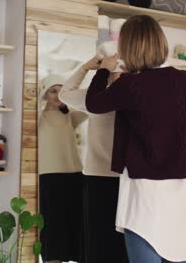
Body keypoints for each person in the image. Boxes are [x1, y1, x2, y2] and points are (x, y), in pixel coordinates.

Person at [85, 15, 186, 263]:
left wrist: (104, 70)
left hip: (146, 195)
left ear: (127, 48)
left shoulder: (130, 85)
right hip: (183, 192)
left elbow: (93, 103)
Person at [59, 54, 128, 263]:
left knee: (117, 244)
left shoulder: (126, 95)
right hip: (101, 179)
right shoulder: (95, 96)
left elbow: (65, 93)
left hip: (126, 179)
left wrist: (87, 68)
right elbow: (65, 94)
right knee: (100, 242)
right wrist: (85, 67)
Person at [38, 74, 87, 263]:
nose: (57, 96)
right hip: (48, 178)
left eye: (61, 91)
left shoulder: (70, 117)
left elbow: (89, 106)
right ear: (45, 93)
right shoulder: (38, 117)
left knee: (73, 225)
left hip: (74, 176)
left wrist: (70, 95)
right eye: (53, 91)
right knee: (51, 228)